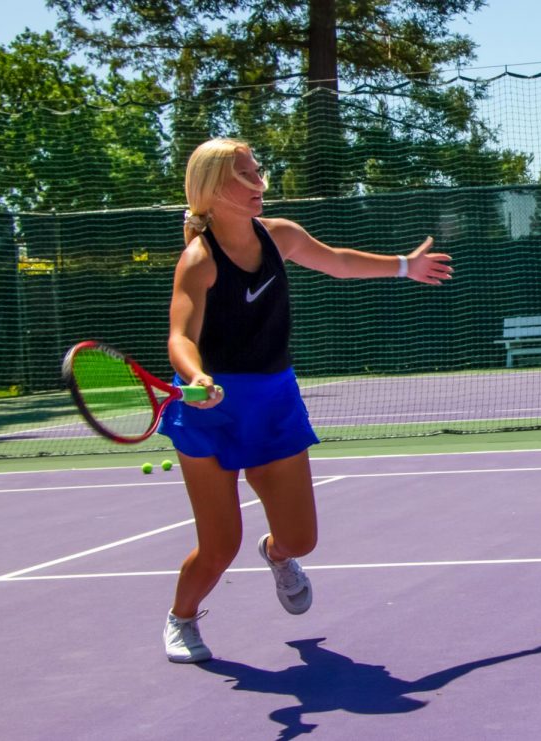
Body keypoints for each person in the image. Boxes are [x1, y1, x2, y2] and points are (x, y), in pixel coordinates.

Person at [159, 138, 453, 662]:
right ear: (213, 189)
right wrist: (196, 376)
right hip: (210, 412)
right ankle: (182, 619)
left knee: (300, 539)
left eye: (258, 171)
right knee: (219, 547)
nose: (259, 184)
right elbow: (180, 336)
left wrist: (405, 266)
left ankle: (275, 556)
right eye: (245, 175)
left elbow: (337, 261)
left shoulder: (280, 235)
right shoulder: (198, 260)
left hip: (274, 402)